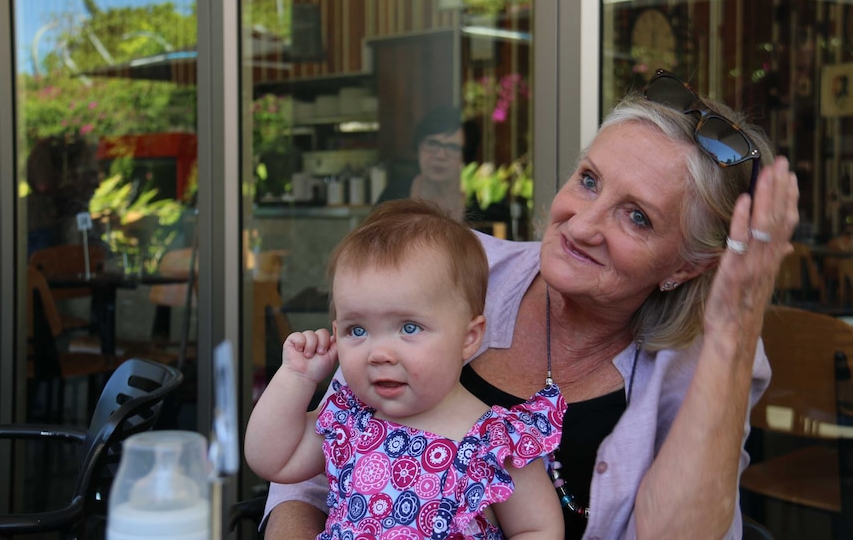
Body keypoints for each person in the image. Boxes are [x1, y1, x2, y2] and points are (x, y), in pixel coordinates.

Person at [262, 69, 799, 539]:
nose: (582, 225)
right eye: (589, 181)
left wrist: (731, 334)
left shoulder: (707, 361)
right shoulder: (446, 266)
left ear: (685, 266)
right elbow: (299, 482)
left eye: (637, 217)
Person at [245, 199, 567, 539]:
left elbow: (536, 528)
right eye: (358, 330)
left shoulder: (494, 444)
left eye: (409, 328)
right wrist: (296, 378)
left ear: (469, 337)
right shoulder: (351, 420)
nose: (379, 353)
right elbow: (271, 460)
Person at [376, 105, 470, 222]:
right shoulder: (394, 194)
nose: (440, 155)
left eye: (452, 147)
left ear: (464, 156)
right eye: (432, 144)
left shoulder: (483, 201)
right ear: (418, 147)